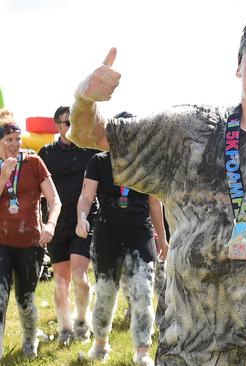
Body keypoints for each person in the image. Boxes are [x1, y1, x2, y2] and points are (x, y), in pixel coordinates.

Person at [67, 9, 246, 365]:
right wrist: (84, 98)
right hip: (186, 348)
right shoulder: (186, 129)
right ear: (239, 65)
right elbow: (92, 134)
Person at [76, 151, 167, 365]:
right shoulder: (99, 161)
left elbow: (155, 202)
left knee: (143, 290)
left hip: (140, 231)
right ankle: (100, 344)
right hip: (107, 231)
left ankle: (142, 350)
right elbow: (86, 196)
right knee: (106, 291)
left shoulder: (146, 159)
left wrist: (162, 239)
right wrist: (81, 218)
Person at [0, 108, 61, 359]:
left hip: (30, 241)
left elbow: (55, 200)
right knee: (0, 299)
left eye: (18, 139)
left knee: (25, 300)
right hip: (1, 240)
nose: (15, 144)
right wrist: (4, 174)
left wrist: (50, 225)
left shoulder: (34, 161)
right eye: (9, 140)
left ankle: (29, 338)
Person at [38, 106, 98, 345]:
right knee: (61, 281)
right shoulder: (46, 154)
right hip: (57, 226)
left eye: (74, 121)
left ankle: (83, 321)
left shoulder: (89, 151)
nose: (71, 126)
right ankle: (65, 328)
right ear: (57, 126)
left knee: (79, 276)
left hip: (83, 222)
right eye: (66, 122)